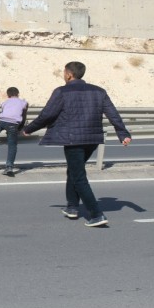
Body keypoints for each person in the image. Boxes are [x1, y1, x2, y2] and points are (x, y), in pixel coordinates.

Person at [22, 62, 131, 227]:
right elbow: (112, 114)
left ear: (69, 74)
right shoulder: (99, 91)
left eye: (64, 72)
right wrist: (122, 133)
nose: (63, 75)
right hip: (92, 139)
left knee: (79, 176)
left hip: (73, 139)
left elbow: (47, 114)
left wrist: (29, 129)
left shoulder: (62, 92)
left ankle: (96, 214)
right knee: (73, 170)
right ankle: (72, 207)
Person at [0, 87, 28, 177]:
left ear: (8, 95)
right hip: (13, 124)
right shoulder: (23, 102)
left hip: (2, 120)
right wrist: (20, 128)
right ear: (18, 94)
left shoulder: (5, 102)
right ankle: (9, 167)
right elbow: (24, 116)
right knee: (12, 146)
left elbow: (5, 111)